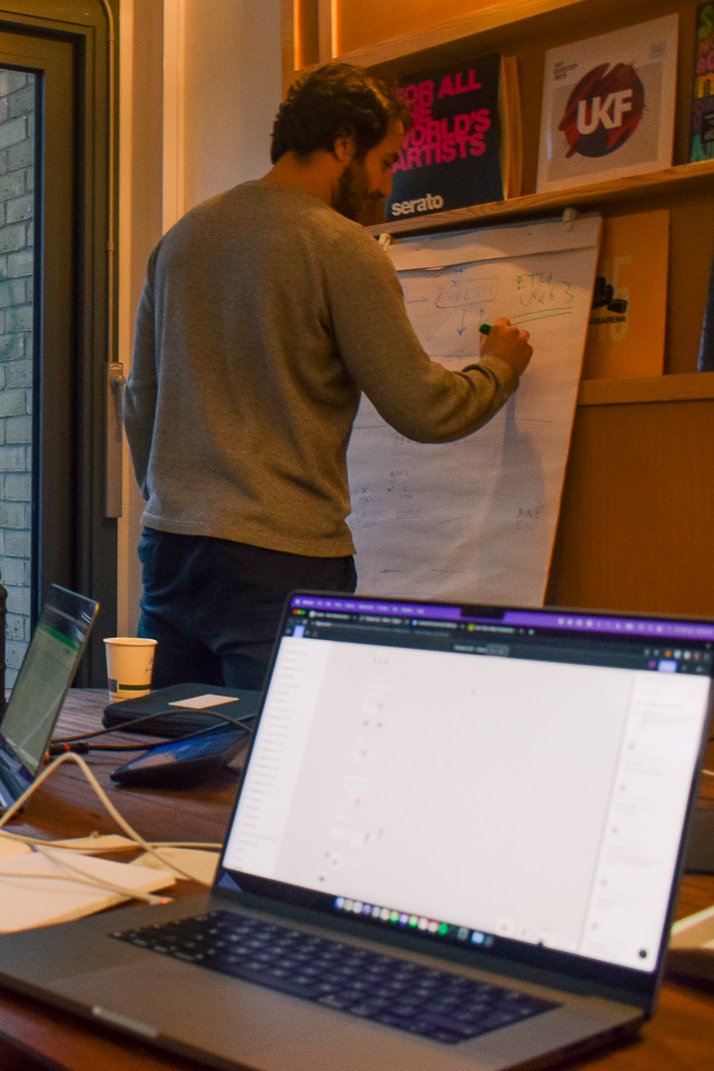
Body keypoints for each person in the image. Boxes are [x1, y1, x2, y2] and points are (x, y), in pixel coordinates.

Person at [121, 63, 534, 691]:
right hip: (278, 560)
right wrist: (499, 366)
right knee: (276, 757)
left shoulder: (183, 237)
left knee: (170, 754)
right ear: (344, 143)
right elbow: (424, 407)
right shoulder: (339, 245)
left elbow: (140, 399)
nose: (385, 188)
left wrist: (170, 495)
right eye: (387, 161)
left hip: (173, 551)